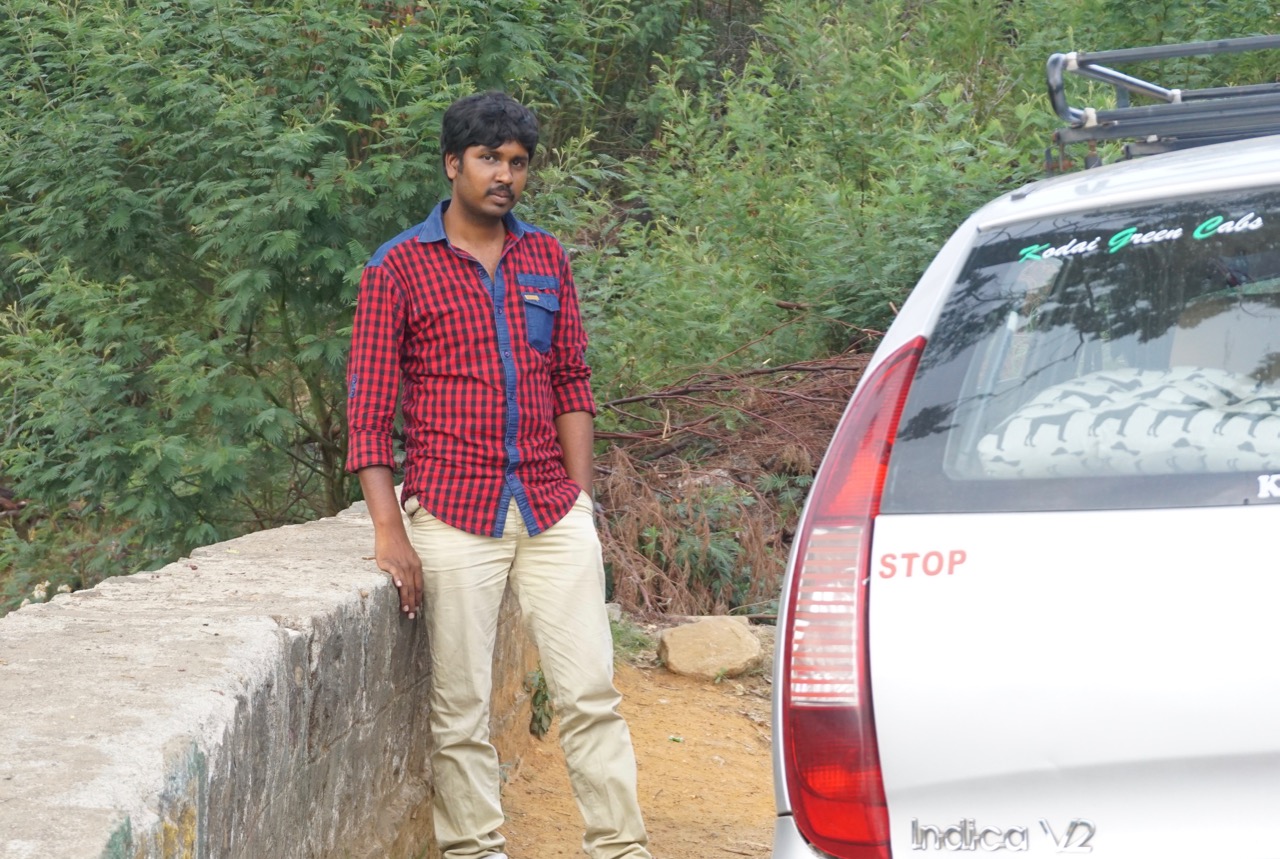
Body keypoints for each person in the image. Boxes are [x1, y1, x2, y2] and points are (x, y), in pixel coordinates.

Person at [345, 91, 652, 859]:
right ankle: (476, 850)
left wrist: (579, 500)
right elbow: (369, 415)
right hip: (453, 512)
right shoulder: (398, 269)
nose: (503, 175)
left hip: (551, 508)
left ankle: (622, 847)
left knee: (590, 693)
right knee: (461, 709)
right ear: (453, 165)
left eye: (516, 162)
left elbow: (573, 382)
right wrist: (391, 531)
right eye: (488, 159)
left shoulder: (546, 257)